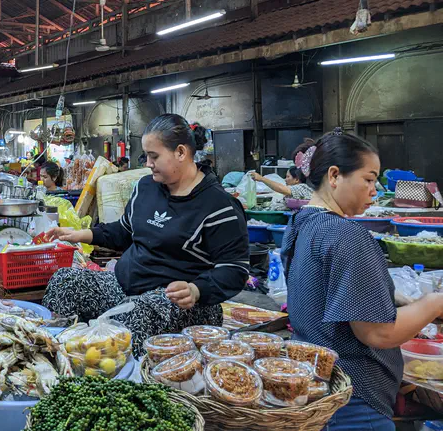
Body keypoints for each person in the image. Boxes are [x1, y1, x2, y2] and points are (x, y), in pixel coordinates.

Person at [42, 114, 249, 355]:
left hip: (180, 303)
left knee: (130, 320)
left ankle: (114, 380)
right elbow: (123, 232)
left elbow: (235, 270)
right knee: (65, 282)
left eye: (154, 156)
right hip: (124, 286)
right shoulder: (146, 187)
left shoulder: (219, 205)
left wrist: (196, 289)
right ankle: (57, 359)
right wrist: (80, 234)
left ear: (181, 153)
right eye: (147, 156)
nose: (148, 163)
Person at [283, 129, 443, 431]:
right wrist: (434, 303)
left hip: (316, 382)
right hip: (354, 398)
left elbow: (324, 290)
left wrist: (400, 301)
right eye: (368, 179)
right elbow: (378, 333)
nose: (375, 189)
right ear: (334, 175)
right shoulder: (348, 236)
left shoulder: (300, 223)